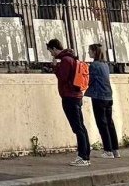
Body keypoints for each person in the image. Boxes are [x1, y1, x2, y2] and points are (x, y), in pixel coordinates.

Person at [46, 39, 92, 167]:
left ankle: (83, 156)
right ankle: (85, 155)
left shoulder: (66, 60)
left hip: (69, 96)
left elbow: (63, 77)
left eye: (51, 51)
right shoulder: (71, 58)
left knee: (78, 127)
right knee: (80, 127)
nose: (51, 54)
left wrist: (55, 67)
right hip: (76, 95)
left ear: (55, 48)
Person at [87, 44, 119, 159]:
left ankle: (107, 150)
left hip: (98, 96)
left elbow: (89, 80)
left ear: (94, 52)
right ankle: (115, 149)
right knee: (109, 123)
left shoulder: (93, 65)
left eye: (89, 51)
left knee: (102, 124)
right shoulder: (105, 65)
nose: (88, 53)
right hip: (108, 96)